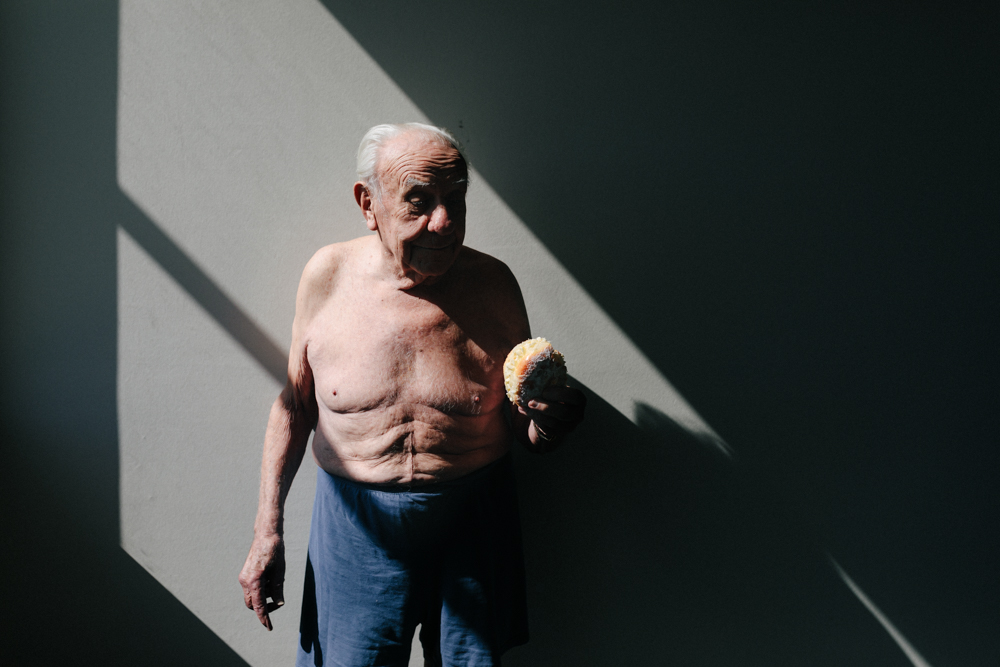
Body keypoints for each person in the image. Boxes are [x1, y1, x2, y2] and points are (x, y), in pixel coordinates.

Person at [238, 122, 586, 666]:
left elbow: (525, 429)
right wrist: (267, 531)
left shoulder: (494, 285)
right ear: (368, 204)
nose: (443, 222)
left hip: (474, 520)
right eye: (419, 201)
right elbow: (296, 406)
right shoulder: (327, 277)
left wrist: (549, 422)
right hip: (354, 527)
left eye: (455, 200)